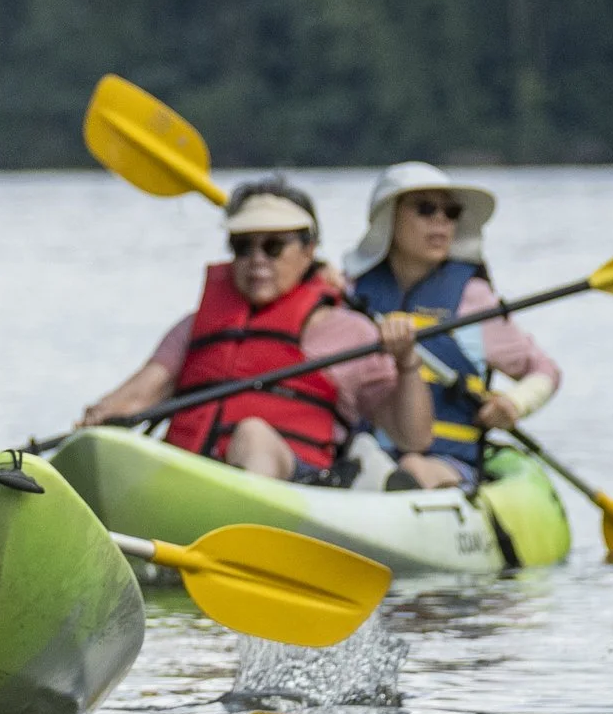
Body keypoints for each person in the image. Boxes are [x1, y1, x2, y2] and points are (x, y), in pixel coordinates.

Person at [78, 176, 432, 484]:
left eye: (273, 246)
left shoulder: (350, 332)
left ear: (308, 251)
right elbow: (140, 394)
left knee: (252, 434)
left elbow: (412, 438)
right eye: (243, 246)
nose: (257, 258)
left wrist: (406, 362)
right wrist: (96, 421)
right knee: (106, 446)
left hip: (299, 485)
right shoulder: (195, 327)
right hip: (192, 477)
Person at [340, 163, 562, 491]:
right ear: (389, 218)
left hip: (447, 462)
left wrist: (514, 403)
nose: (441, 221)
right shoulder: (349, 294)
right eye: (426, 209)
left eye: (451, 212)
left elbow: (544, 370)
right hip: (362, 456)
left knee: (414, 466)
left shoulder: (473, 299)